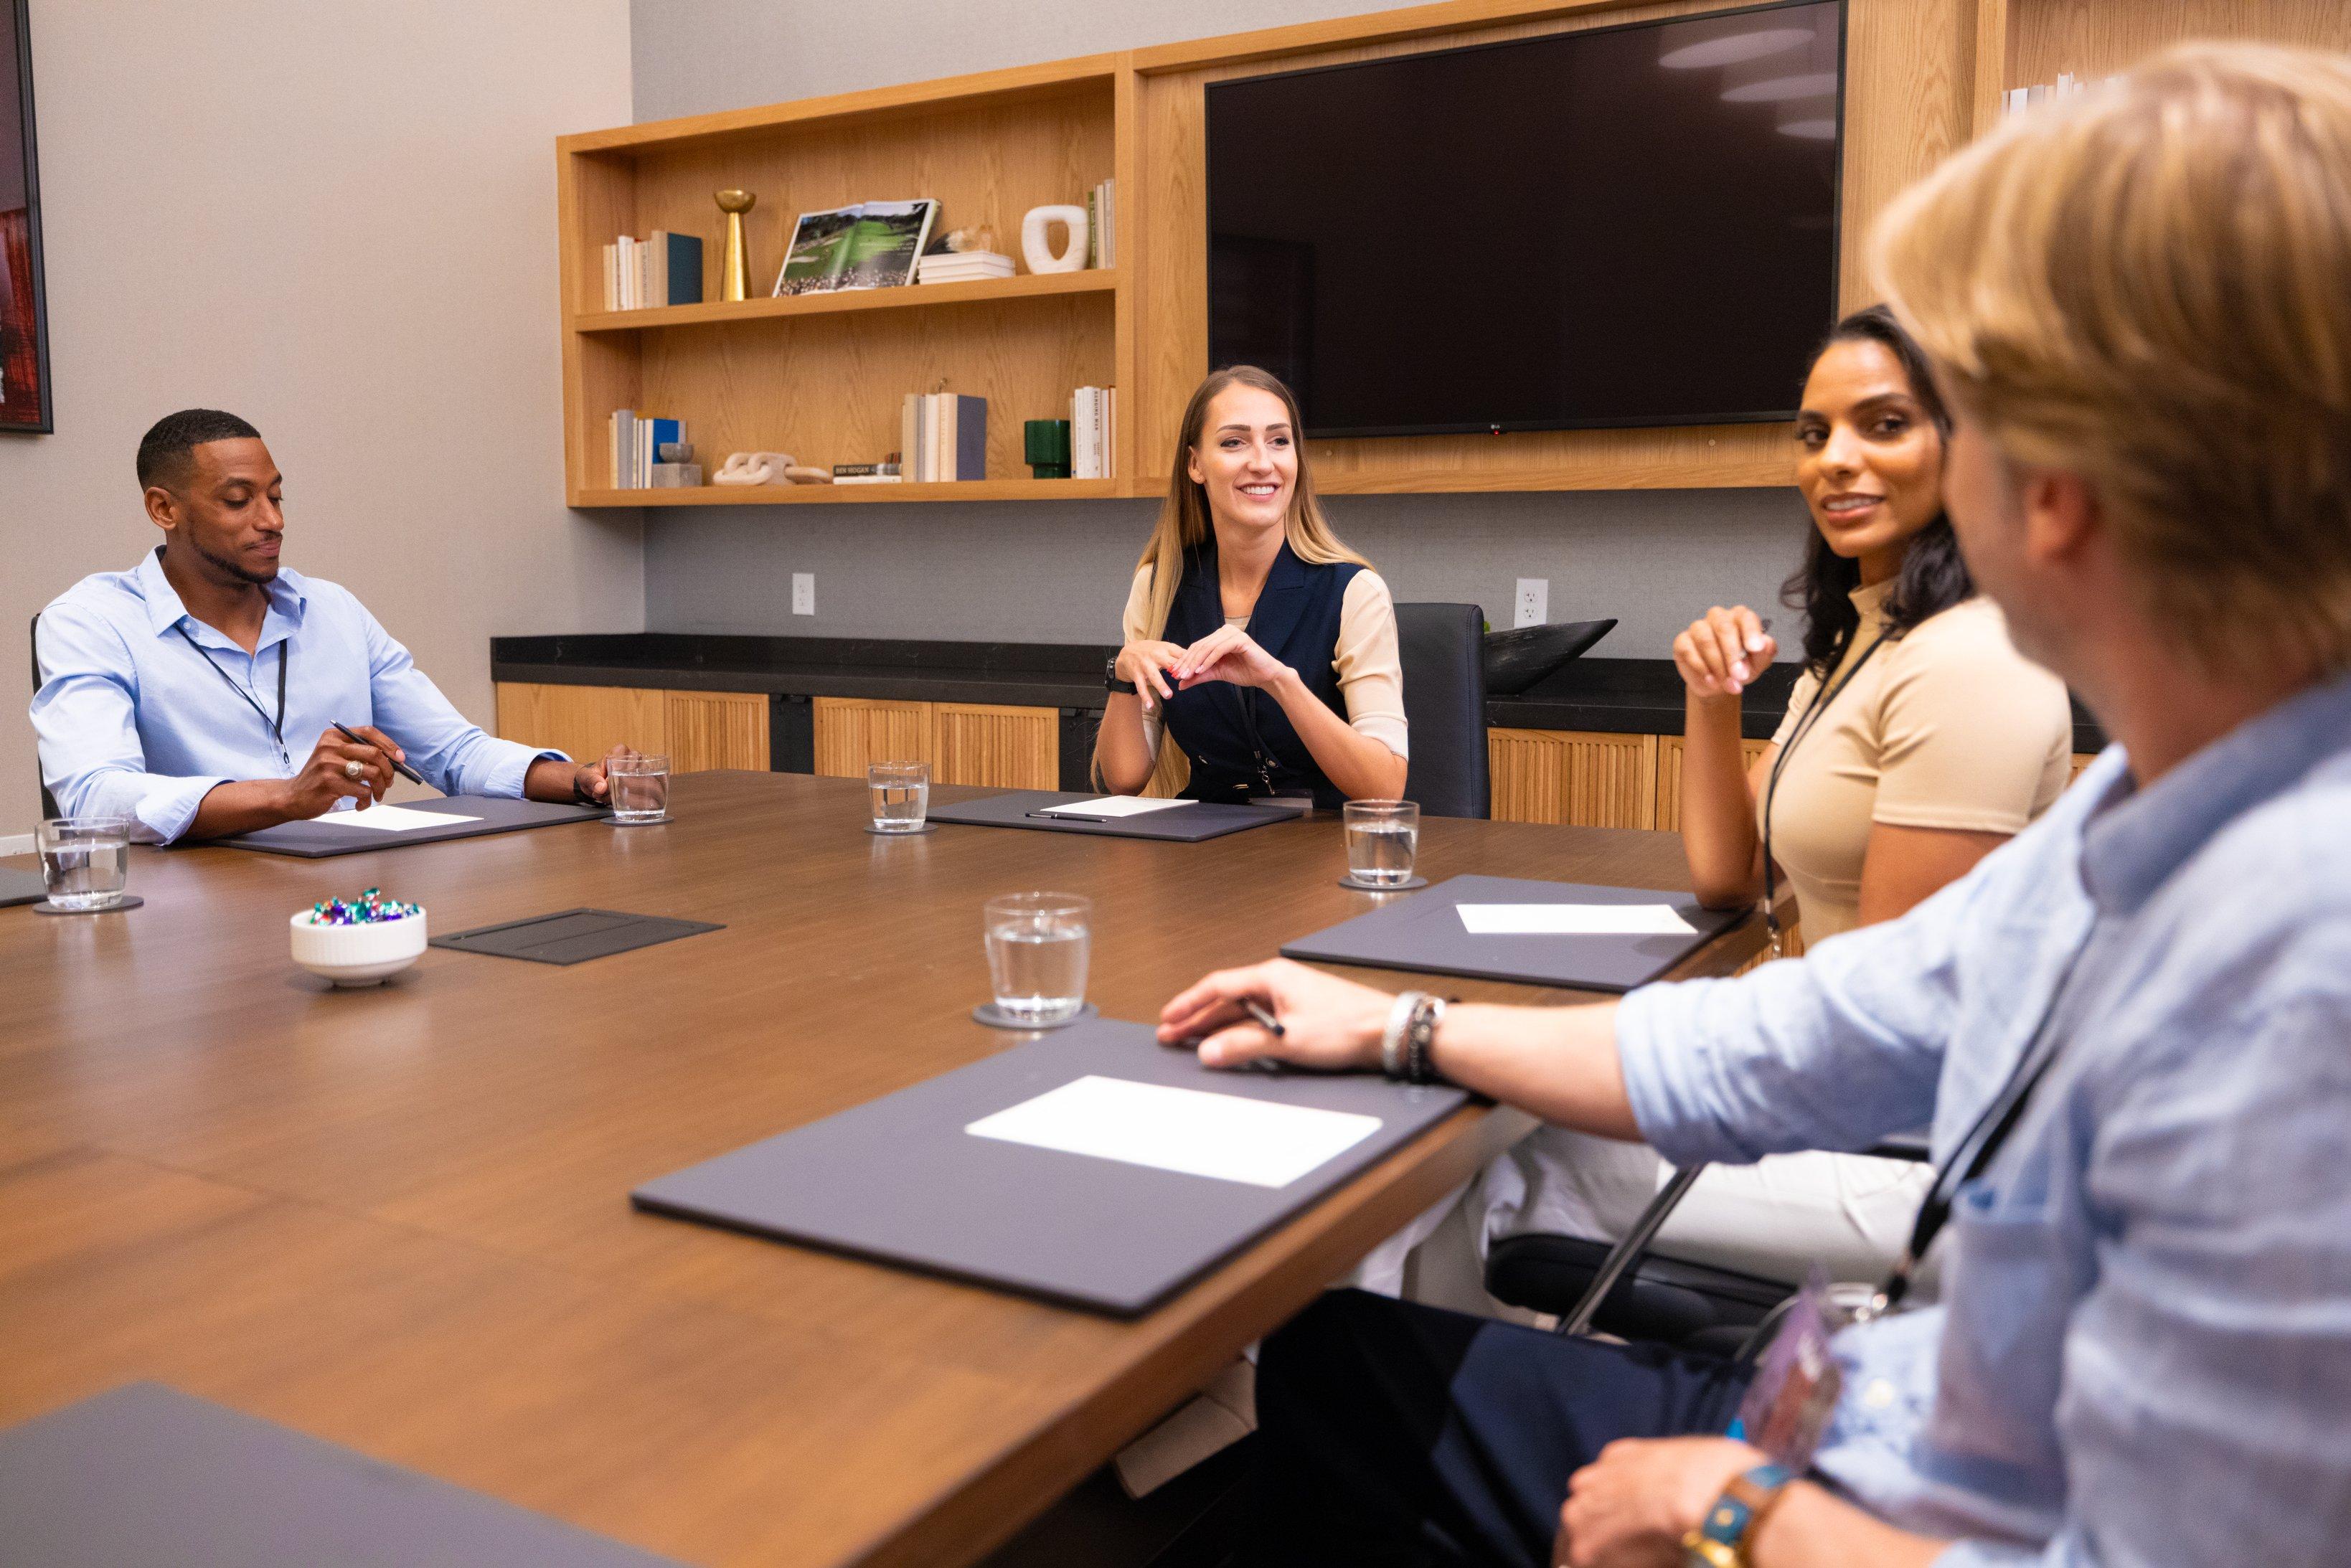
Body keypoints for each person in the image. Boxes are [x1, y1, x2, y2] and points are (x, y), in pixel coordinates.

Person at [1160, 43, 2351, 1567]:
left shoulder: (2295, 969)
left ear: (2060, 488)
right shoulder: (2152, 801)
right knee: (1346, 1356)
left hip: (1870, 1491)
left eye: (1958, 407)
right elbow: (1810, 1029)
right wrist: (1403, 1026)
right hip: (1889, 1409)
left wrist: (1733, 1512)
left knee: (1341, 1384)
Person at [1430, 309, 2077, 1308]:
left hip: (1919, 1159)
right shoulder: (1865, 639)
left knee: (1476, 1150)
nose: (1836, 459)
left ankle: (1452, 1402)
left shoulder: (1971, 658)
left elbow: (1876, 1015)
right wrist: (1711, 697)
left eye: (1884, 424)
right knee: (1492, 1114)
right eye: (1815, 433)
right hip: (1852, 1100)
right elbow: (1730, 877)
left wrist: (1637, 1056)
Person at [32, 409, 631, 842]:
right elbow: (95, 797)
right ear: (164, 508)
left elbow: (452, 752)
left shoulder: (332, 610)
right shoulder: (91, 622)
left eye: (276, 497)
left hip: (350, 886)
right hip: (196, 907)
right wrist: (288, 796)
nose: (272, 520)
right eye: (239, 501)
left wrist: (579, 780)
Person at [1093, 365, 1408, 808]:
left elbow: (1386, 788)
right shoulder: (1157, 587)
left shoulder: (1355, 591)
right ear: (1195, 465)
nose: (1262, 462)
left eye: (1279, 441)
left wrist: (1279, 681)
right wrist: (1123, 674)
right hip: (1205, 836)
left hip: (1326, 838)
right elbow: (1125, 780)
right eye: (1233, 442)